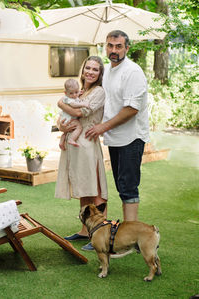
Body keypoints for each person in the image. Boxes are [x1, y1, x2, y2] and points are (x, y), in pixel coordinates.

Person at [86, 30, 150, 225]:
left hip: (131, 138)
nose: (114, 50)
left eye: (118, 46)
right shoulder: (107, 70)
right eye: (110, 46)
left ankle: (130, 235)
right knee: (120, 185)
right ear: (106, 47)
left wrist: (102, 127)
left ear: (127, 48)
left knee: (128, 187)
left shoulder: (133, 72)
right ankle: (119, 232)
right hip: (114, 137)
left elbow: (131, 109)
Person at [55, 56, 108, 251]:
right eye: (88, 68)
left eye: (95, 69)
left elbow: (79, 113)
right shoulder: (80, 91)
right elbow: (64, 118)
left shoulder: (99, 92)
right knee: (83, 188)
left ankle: (100, 232)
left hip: (86, 142)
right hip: (75, 142)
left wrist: (61, 104)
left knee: (95, 189)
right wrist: (61, 124)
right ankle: (85, 230)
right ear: (83, 69)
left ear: (100, 73)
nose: (91, 72)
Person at [58, 78, 90, 150]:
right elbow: (74, 105)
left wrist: (79, 94)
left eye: (76, 92)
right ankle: (71, 139)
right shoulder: (67, 99)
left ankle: (61, 141)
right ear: (65, 93)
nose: (74, 95)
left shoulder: (73, 97)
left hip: (66, 119)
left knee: (66, 132)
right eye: (71, 93)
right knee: (79, 127)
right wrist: (83, 104)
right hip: (69, 119)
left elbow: (76, 98)